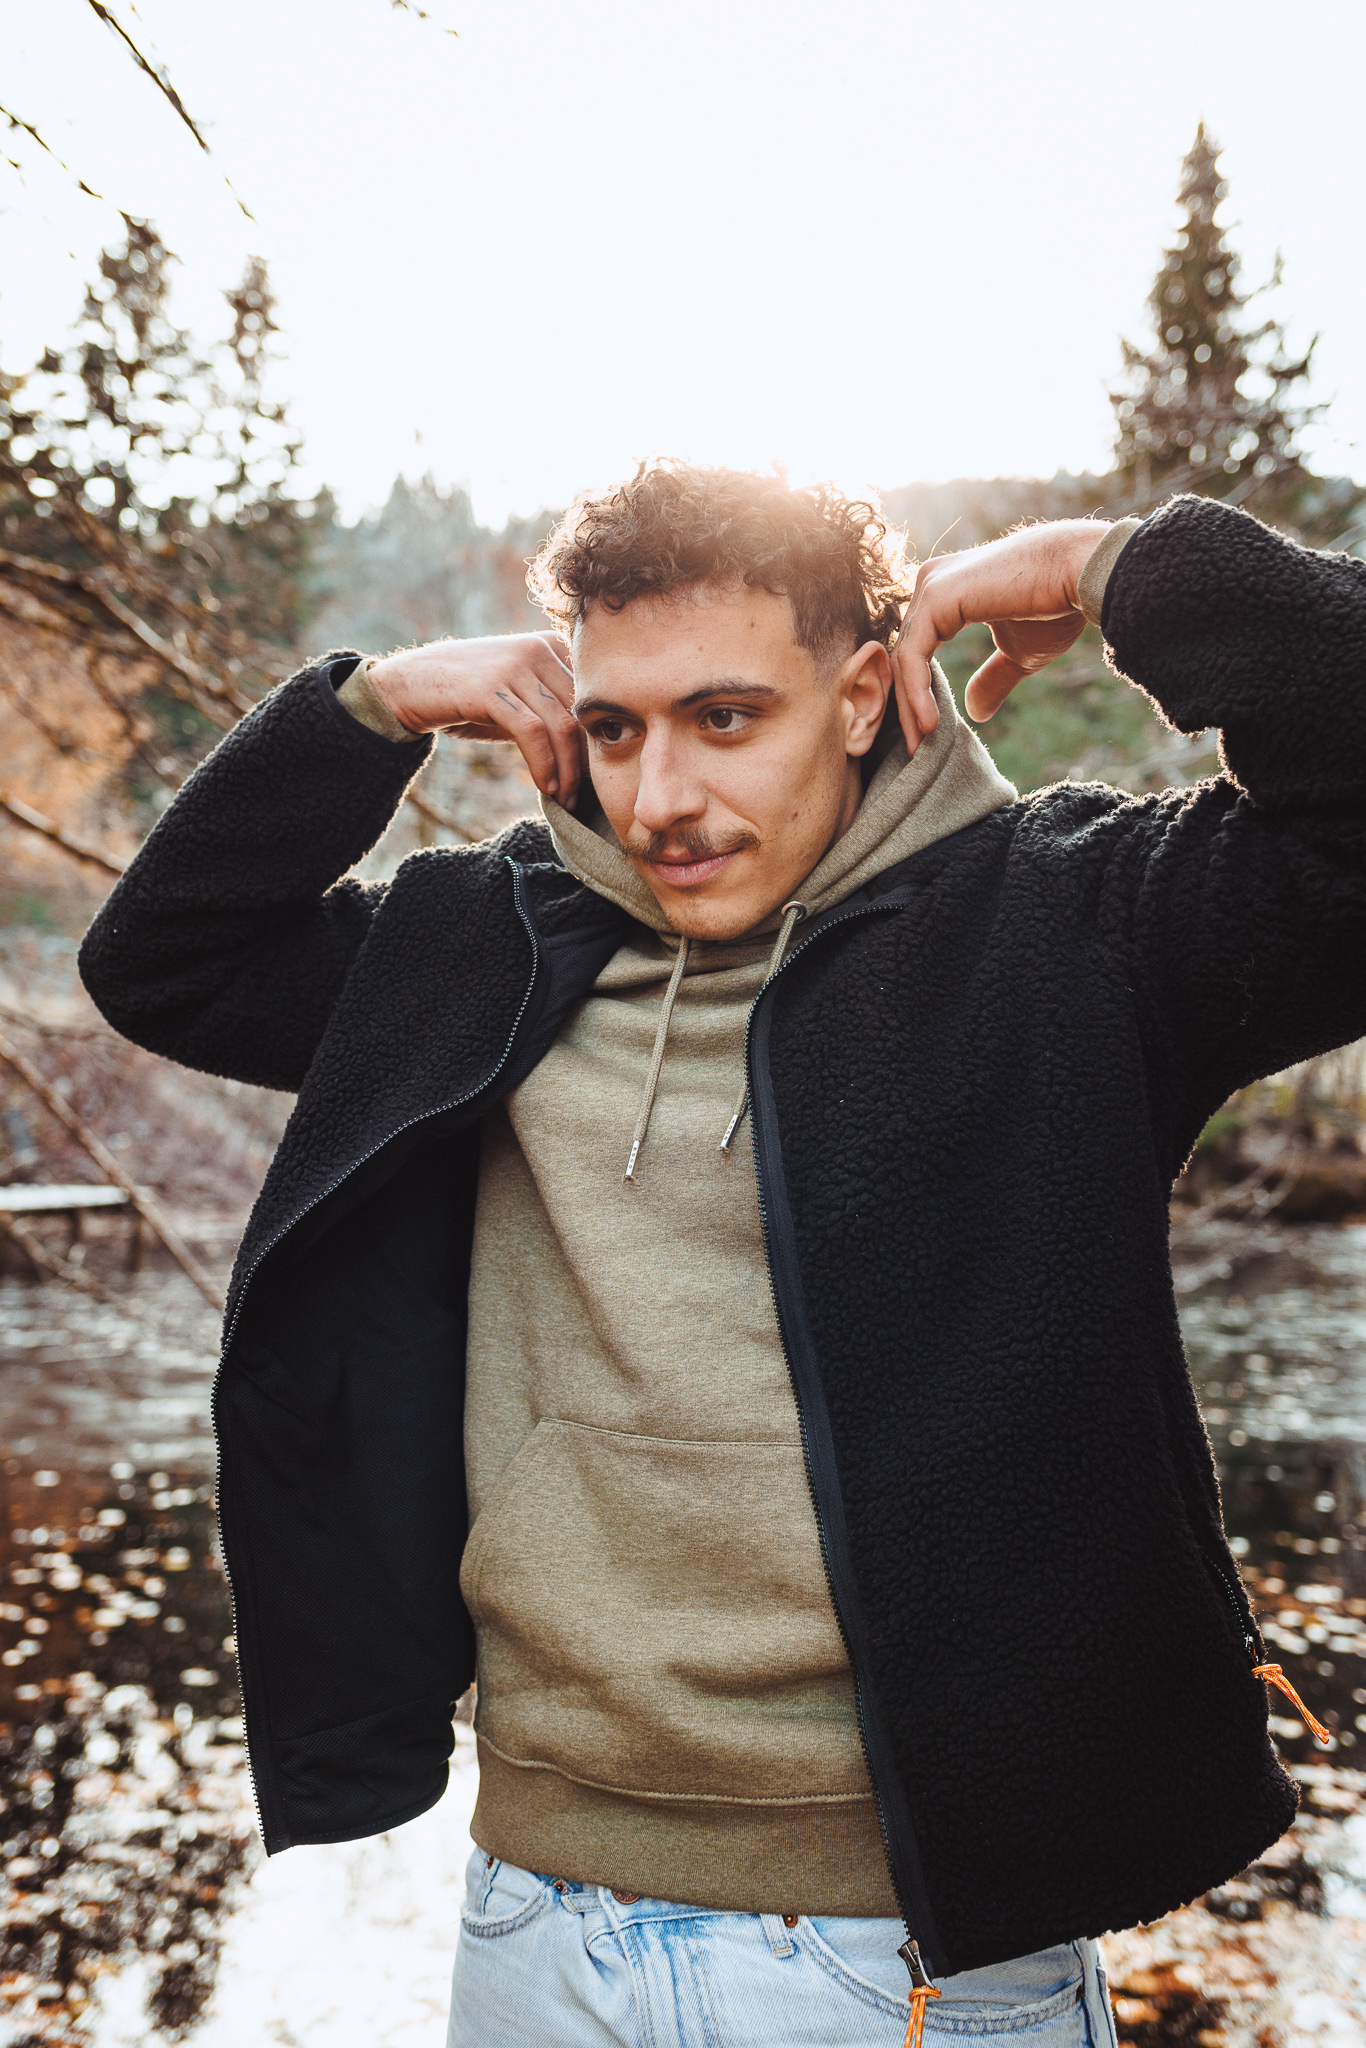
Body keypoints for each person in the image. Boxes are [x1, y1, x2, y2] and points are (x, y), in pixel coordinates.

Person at [78, 464, 1366, 2048]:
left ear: (862, 694)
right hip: (533, 1912)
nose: (661, 799)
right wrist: (374, 707)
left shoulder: (1070, 924)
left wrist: (1120, 567)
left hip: (908, 1957)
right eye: (615, 729)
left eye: (725, 717)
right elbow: (164, 958)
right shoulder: (482, 945)